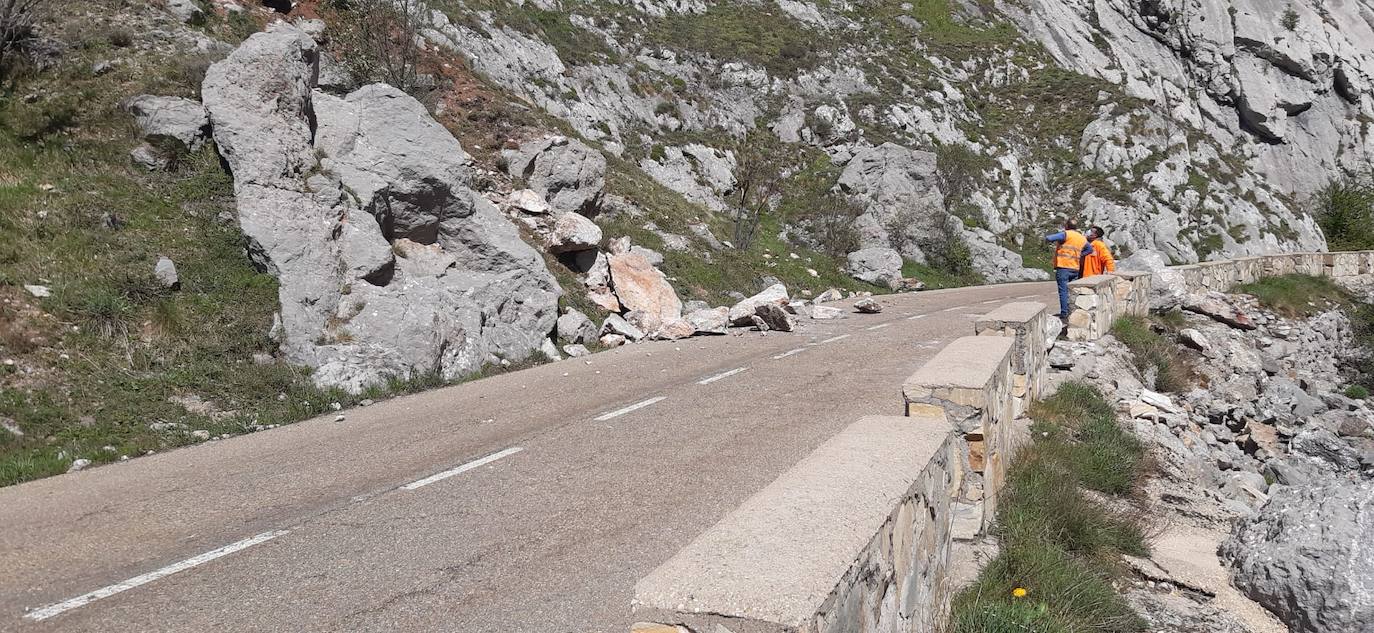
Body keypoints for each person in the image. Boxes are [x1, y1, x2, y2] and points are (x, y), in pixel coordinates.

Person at [1045, 220, 1092, 319]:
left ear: (1066, 226)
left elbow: (1049, 238)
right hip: (1075, 268)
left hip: (1064, 266)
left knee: (1063, 291)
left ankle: (1064, 313)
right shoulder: (1081, 238)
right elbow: (1089, 249)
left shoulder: (1066, 234)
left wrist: (1048, 240)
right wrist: (1080, 255)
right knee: (1072, 291)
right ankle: (1072, 311)